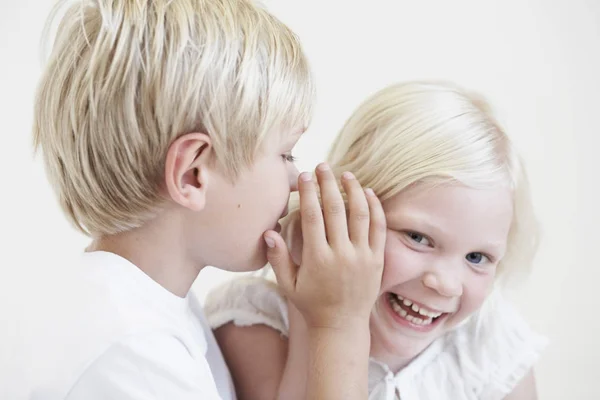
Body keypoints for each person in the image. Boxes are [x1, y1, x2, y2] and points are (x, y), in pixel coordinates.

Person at [23, 0, 386, 399]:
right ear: (193, 175)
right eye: (285, 154)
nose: (296, 182)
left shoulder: (144, 311)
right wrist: (341, 324)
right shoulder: (134, 350)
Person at [205, 81, 548, 400]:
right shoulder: (254, 322)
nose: (446, 284)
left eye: (477, 258)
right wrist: (322, 315)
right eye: (418, 238)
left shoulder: (493, 349)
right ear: (337, 211)